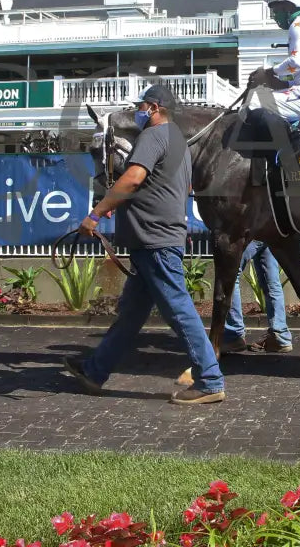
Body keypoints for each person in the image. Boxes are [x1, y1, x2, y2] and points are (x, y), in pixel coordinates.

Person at [63, 84, 225, 405]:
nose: (138, 112)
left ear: (152, 107)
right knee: (131, 314)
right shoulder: (179, 142)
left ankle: (209, 380)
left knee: (178, 310)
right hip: (156, 238)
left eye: (141, 107)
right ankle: (95, 371)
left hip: (154, 240)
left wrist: (96, 213)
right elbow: (174, 186)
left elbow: (134, 177)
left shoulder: (152, 136)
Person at [222, 240, 293, 354]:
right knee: (271, 281)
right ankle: (280, 337)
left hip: (251, 228)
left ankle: (234, 336)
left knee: (229, 274)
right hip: (270, 230)